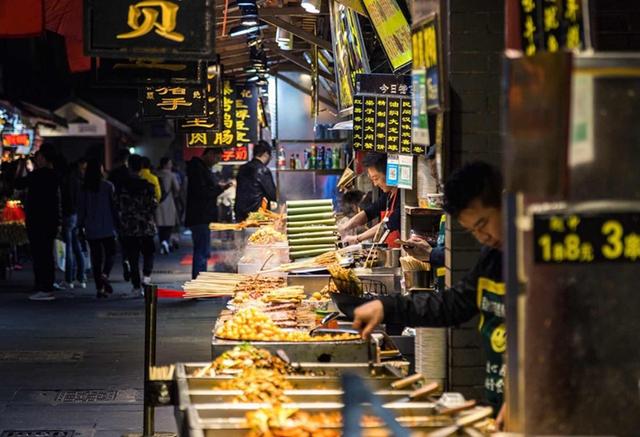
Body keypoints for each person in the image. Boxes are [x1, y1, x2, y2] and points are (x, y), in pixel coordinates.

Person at [352, 161, 506, 419]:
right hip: (500, 401)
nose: (483, 237)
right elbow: (453, 305)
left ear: (507, 203)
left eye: (484, 223)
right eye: (473, 231)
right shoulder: (493, 257)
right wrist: (387, 306)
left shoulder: (536, 263)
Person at [14, 144, 61, 301]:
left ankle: (45, 288)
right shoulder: (55, 175)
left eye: (39, 157)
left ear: (44, 158)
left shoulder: (39, 175)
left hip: (38, 220)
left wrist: (21, 166)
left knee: (41, 254)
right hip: (50, 219)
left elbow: (18, 183)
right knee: (46, 253)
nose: (37, 160)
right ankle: (46, 285)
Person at [338, 153, 401, 248]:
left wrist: (357, 238)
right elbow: (370, 212)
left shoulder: (402, 196)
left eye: (376, 178)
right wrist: (345, 227)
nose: (375, 184)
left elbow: (389, 224)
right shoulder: (388, 194)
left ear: (390, 173)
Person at [118, 154, 158, 295]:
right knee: (149, 253)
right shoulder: (148, 187)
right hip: (146, 226)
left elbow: (120, 207)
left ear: (129, 167)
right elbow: (153, 205)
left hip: (129, 227)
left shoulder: (123, 188)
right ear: (141, 168)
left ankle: (136, 286)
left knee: (133, 256)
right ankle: (146, 277)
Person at [78, 159, 118, 298]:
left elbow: (81, 210)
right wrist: (117, 224)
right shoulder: (108, 186)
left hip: (91, 228)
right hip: (107, 226)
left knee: (96, 258)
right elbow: (114, 207)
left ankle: (99, 289)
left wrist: (80, 226)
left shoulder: (84, 188)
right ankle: (105, 274)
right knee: (111, 253)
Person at [186, 148, 228, 279]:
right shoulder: (198, 169)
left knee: (203, 251)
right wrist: (219, 189)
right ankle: (198, 283)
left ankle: (199, 281)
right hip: (200, 216)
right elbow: (202, 193)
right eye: (217, 158)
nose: (217, 162)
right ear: (210, 154)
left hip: (201, 216)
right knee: (201, 251)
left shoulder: (200, 168)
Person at [60, 157, 86, 289]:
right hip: (77, 216)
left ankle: (69, 279)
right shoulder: (80, 180)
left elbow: (67, 199)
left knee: (69, 248)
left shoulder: (69, 180)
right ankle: (81, 278)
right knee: (78, 247)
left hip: (69, 215)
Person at [234, 140, 276, 222]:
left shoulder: (242, 169)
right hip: (257, 215)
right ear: (265, 154)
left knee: (244, 235)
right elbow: (273, 195)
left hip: (241, 215)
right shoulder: (263, 170)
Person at [108, 148, 132, 281]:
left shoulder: (113, 174)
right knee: (129, 240)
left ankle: (125, 261)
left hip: (116, 209)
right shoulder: (129, 174)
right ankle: (127, 261)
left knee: (121, 239)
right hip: (128, 210)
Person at [155, 157, 180, 254]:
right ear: (165, 164)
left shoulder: (156, 174)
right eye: (170, 163)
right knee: (169, 224)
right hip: (168, 202)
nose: (171, 165)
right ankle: (165, 242)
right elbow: (177, 189)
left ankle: (162, 242)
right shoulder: (171, 175)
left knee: (160, 225)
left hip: (158, 202)